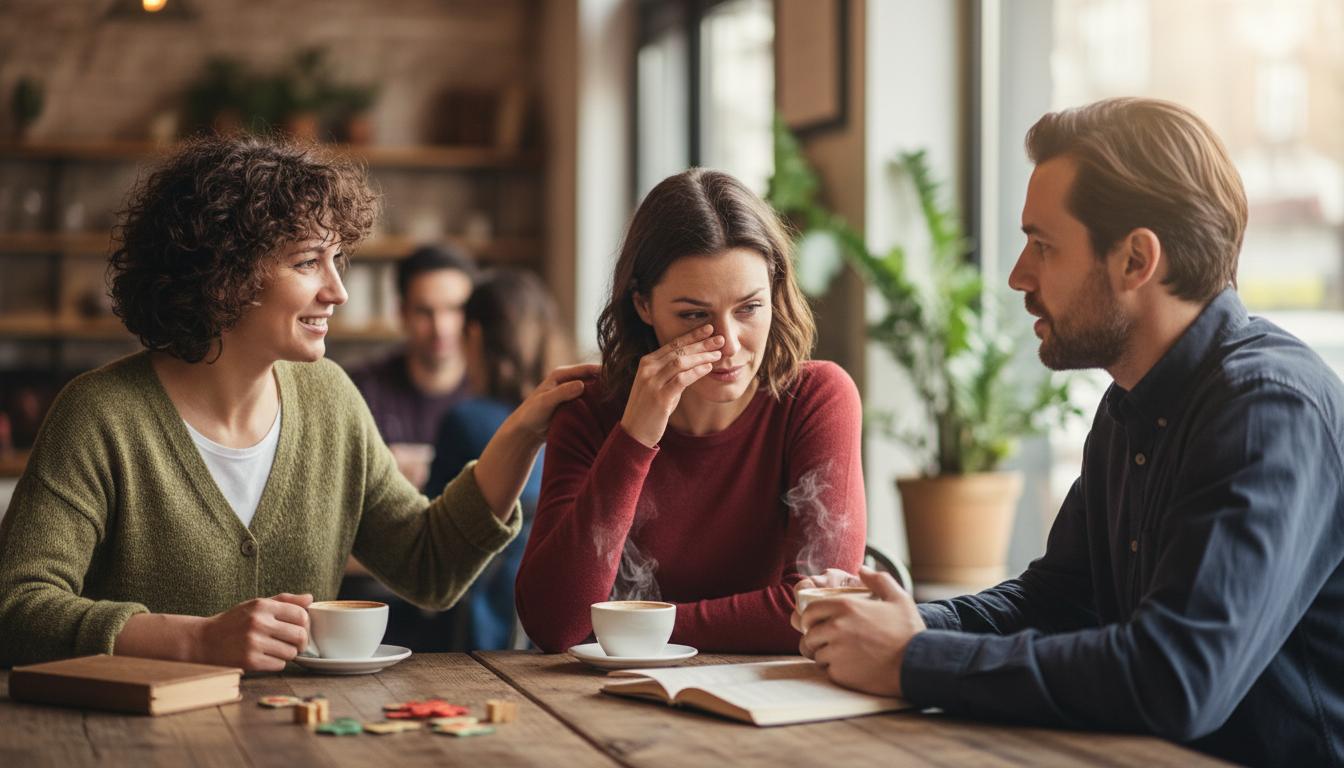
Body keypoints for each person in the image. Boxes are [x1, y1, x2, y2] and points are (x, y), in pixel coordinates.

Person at [793, 98, 1344, 766]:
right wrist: (903, 622)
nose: (1019, 276)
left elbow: (1177, 677)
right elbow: (1059, 600)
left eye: (1044, 246)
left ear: (1136, 260)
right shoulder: (1127, 405)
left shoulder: (1268, 410)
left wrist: (912, 659)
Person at [0, 135, 595, 670]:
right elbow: (17, 611)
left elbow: (429, 565)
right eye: (308, 261)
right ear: (224, 275)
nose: (336, 290)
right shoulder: (100, 415)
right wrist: (195, 642)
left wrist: (521, 432)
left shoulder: (329, 399)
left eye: (337, 261)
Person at [516, 168, 866, 654]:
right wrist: (636, 434)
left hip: (768, 696)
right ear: (643, 305)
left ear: (775, 291)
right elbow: (555, 624)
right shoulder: (592, 410)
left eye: (748, 308)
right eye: (694, 316)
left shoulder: (816, 398)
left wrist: (630, 629)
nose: (726, 344)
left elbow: (821, 610)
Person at [425, 268, 567, 650]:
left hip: (477, 628)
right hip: (552, 620)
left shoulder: (466, 420)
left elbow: (429, 537)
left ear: (473, 335)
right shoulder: (574, 420)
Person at [348, 244, 477, 489]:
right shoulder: (361, 389)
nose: (441, 327)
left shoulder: (490, 394)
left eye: (454, 309)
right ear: (402, 313)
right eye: (425, 311)